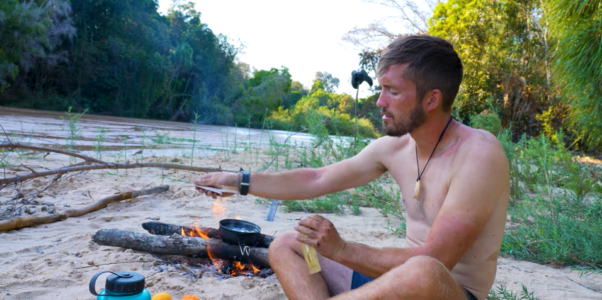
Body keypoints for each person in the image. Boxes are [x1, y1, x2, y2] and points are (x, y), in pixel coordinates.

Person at [195, 35, 509, 300]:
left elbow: (437, 260)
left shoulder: (478, 154)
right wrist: (238, 180)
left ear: (431, 100)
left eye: (392, 91)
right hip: (385, 287)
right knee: (290, 244)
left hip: (438, 291)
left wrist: (343, 249)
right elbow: (316, 178)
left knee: (423, 270)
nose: (379, 101)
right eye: (381, 88)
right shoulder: (396, 148)